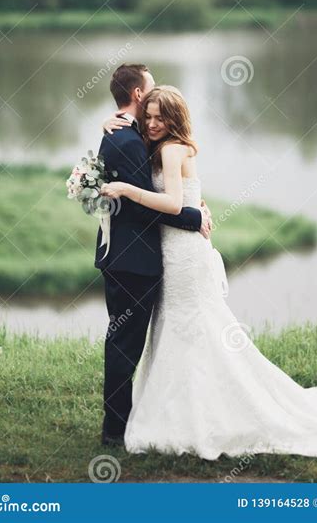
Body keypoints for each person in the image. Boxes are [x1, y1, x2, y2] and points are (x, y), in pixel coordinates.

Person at [100, 84, 317, 459]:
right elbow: (186, 193)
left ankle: (207, 415)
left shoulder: (174, 148)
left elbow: (172, 202)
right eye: (147, 116)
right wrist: (110, 124)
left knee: (196, 328)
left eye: (159, 117)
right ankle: (177, 409)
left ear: (175, 118)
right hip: (170, 251)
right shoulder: (157, 146)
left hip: (184, 255)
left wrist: (127, 191)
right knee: (173, 327)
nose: (151, 123)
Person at [95, 65, 212, 446]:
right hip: (135, 261)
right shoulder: (127, 138)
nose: (153, 118)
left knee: (165, 335)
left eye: (161, 117)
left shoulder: (125, 135)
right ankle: (115, 430)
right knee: (127, 344)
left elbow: (168, 189)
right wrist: (194, 217)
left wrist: (194, 207)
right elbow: (148, 208)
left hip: (152, 257)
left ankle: (167, 414)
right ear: (137, 96)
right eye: (149, 101)